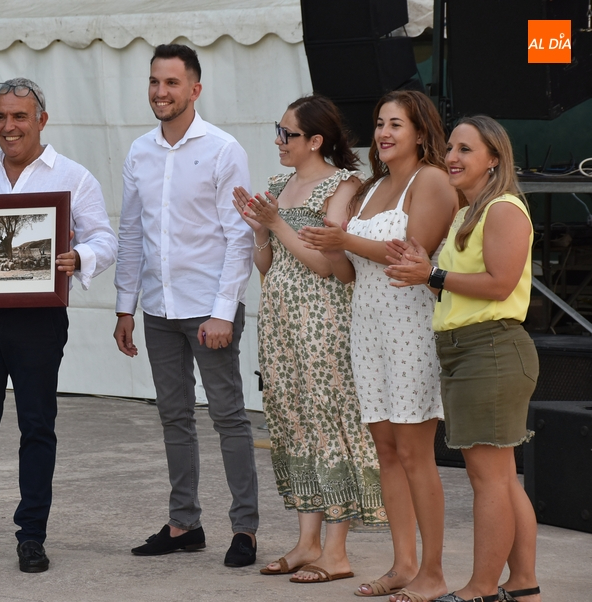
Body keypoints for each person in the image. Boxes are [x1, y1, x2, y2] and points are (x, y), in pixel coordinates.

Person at [0, 78, 117, 574]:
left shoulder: (74, 177)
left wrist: (80, 256)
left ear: (41, 120)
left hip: (38, 320)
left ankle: (31, 536)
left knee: (36, 426)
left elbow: (106, 239)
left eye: (19, 116)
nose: (8, 126)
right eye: (0, 116)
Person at [298, 90, 459, 602]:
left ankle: (432, 572)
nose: (384, 133)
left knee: (414, 453)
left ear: (420, 132)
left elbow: (411, 255)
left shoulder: (431, 181)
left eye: (396, 124)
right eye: (379, 123)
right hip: (366, 328)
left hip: (411, 327)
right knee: (386, 451)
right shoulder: (370, 188)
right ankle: (403, 564)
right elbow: (351, 274)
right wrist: (330, 245)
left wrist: (344, 241)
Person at [113, 43, 259, 568]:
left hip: (208, 309)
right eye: (154, 81)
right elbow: (132, 234)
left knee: (228, 417)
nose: (160, 92)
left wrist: (223, 310)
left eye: (171, 83)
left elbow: (239, 237)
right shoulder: (139, 152)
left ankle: (244, 529)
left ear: (195, 89)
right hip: (157, 310)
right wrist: (124, 306)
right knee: (174, 417)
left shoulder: (223, 150)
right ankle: (184, 524)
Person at [231, 95, 386, 584]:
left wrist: (276, 222)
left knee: (327, 420)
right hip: (280, 319)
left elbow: (326, 265)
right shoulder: (279, 185)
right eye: (277, 131)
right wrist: (259, 230)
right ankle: (306, 543)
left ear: (316, 140)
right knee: (291, 418)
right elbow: (266, 264)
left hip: (322, 319)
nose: (279, 141)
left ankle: (336, 552)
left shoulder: (344, 185)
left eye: (288, 134)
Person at [386, 115, 540, 602]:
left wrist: (431, 276)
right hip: (467, 350)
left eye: (465, 150)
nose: (452, 157)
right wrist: (423, 269)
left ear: (494, 159)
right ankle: (523, 585)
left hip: (489, 349)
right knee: (501, 479)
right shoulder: (468, 212)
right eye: (450, 147)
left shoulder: (503, 209)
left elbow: (500, 284)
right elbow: (458, 285)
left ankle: (480, 589)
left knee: (489, 479)